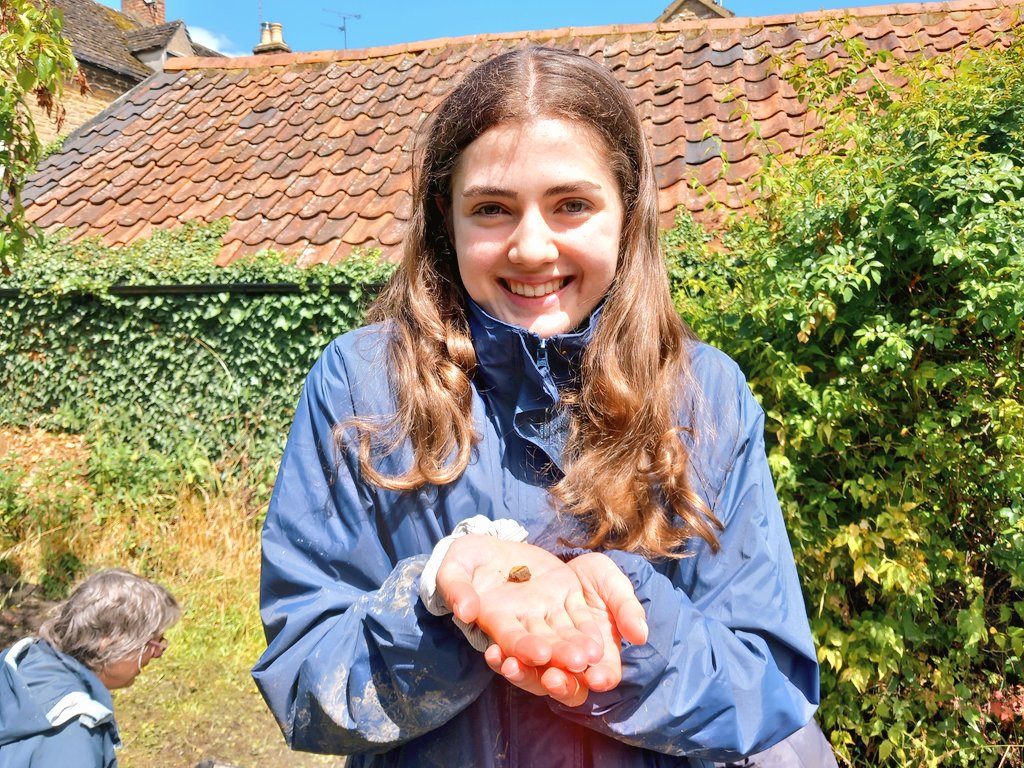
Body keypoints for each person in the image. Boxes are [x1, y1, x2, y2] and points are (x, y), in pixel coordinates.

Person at [254, 45, 836, 767]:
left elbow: (767, 684)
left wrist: (618, 618)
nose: (532, 246)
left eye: (573, 205)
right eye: (493, 209)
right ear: (446, 216)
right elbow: (306, 679)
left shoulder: (705, 394)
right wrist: (439, 598)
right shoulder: (362, 386)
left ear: (627, 209)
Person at [0, 568, 180, 767]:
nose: (158, 654)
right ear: (109, 642)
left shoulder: (26, 663)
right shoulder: (73, 734)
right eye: (154, 644)